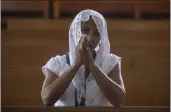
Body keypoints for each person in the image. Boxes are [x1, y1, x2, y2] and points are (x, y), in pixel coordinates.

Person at [41, 9, 126, 107]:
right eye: (85, 31)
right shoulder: (57, 63)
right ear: (75, 31)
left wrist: (92, 66)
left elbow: (118, 100)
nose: (90, 38)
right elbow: (47, 99)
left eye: (97, 33)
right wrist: (75, 66)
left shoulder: (111, 62)